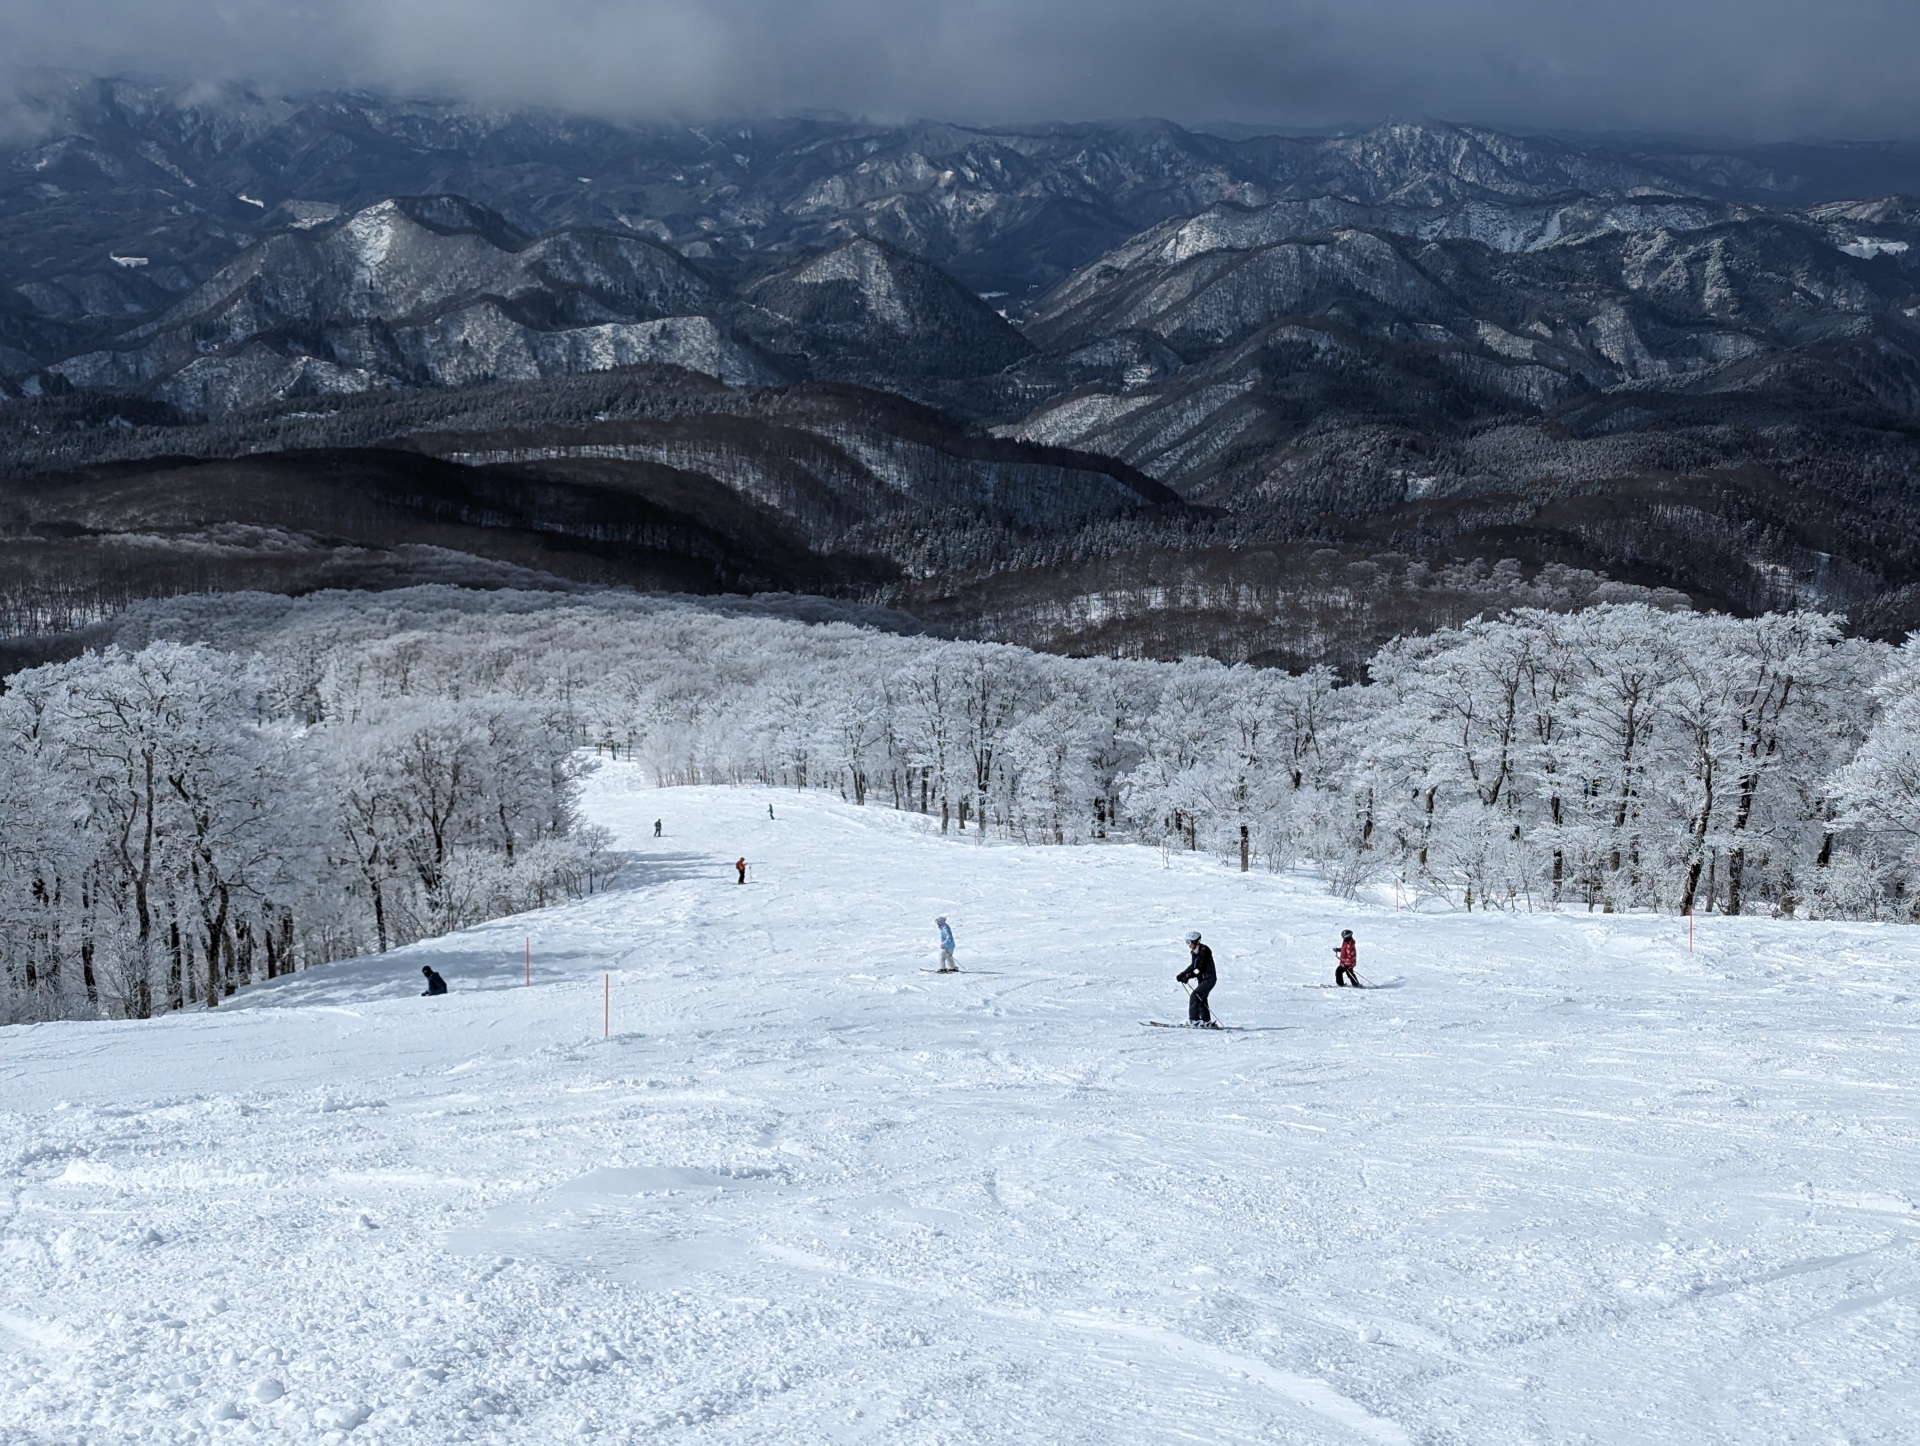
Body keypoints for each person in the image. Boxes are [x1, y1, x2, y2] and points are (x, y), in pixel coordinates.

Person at [1176, 932, 1218, 1027]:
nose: (1188, 945)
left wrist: (1188, 976)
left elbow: (1200, 969)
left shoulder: (1204, 951)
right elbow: (1193, 966)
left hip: (1209, 979)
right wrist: (1182, 974)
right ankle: (1205, 1021)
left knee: (1195, 996)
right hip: (1202, 979)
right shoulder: (1194, 952)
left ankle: (1194, 1020)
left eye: (1189, 942)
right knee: (1201, 998)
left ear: (1195, 941)